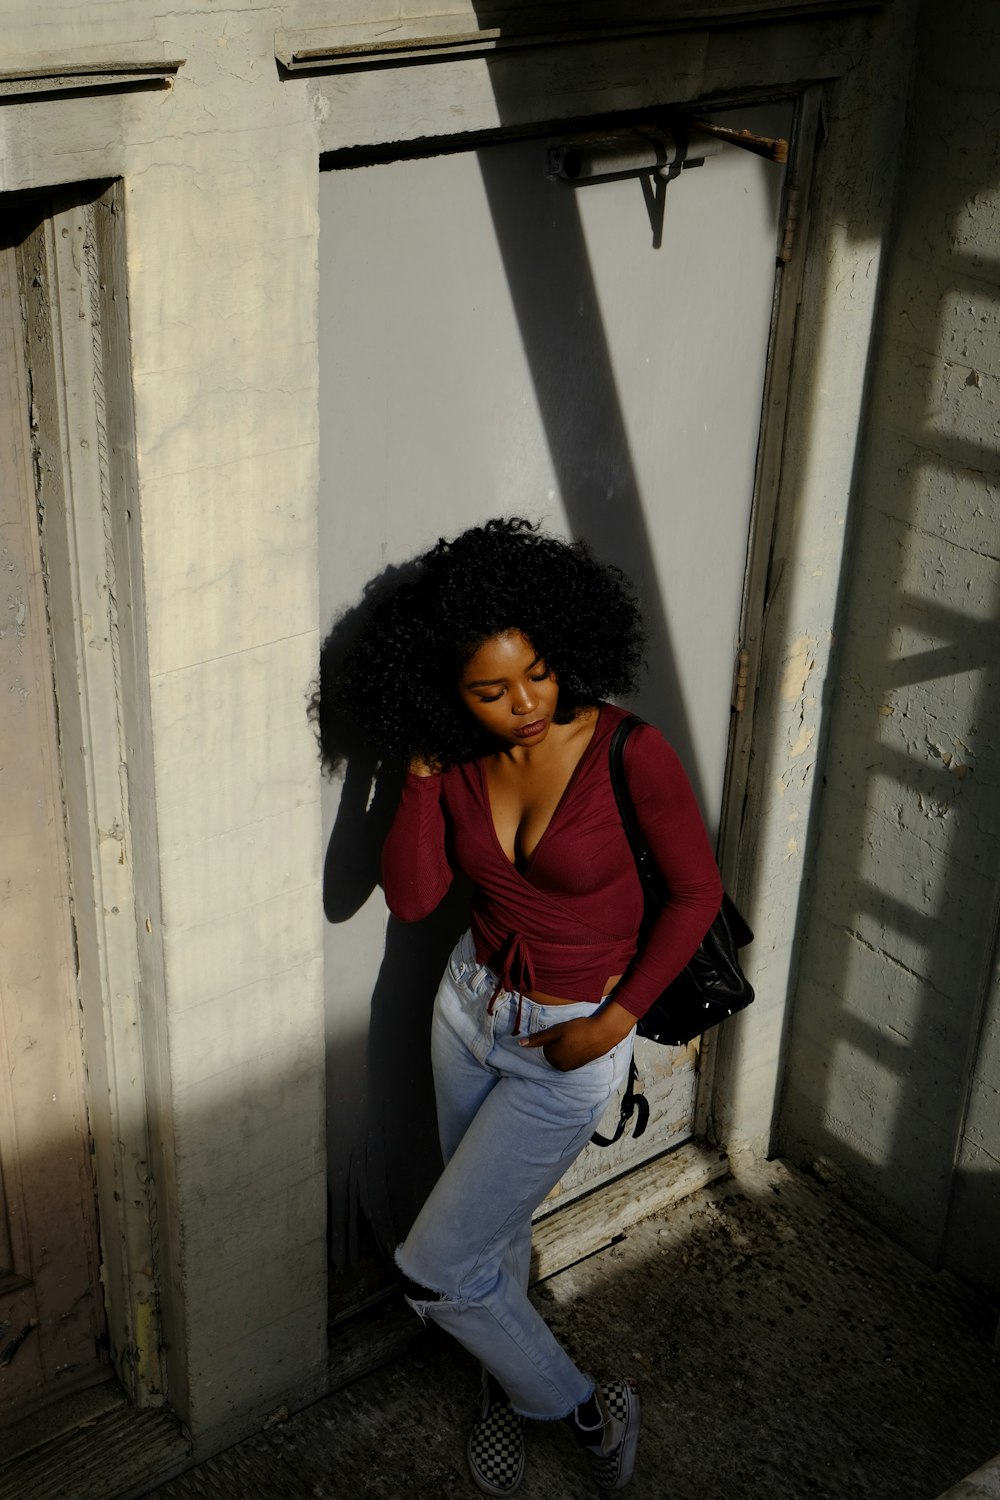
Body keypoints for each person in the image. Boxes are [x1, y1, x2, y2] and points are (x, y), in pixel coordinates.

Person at [321, 517, 723, 1495]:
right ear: (445, 692)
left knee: (434, 1267)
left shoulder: (631, 753)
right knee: (488, 1238)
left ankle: (585, 1406)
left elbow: (694, 895)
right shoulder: (450, 764)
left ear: (562, 647)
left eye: (537, 672)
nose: (526, 705)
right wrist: (411, 779)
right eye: (490, 691)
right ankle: (511, 1387)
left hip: (571, 1040)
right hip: (465, 1014)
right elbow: (407, 900)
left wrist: (614, 1022)